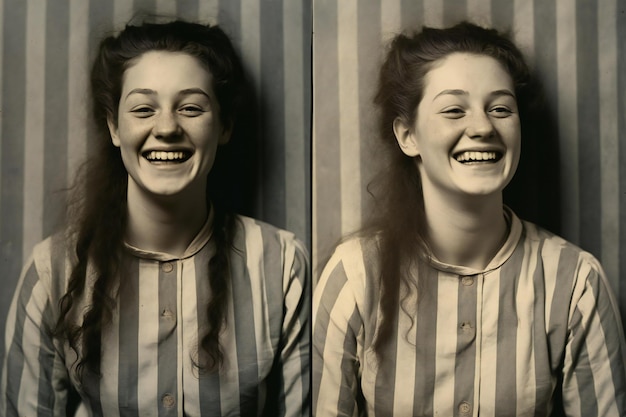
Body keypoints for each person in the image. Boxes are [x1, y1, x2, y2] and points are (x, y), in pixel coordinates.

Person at [312, 22, 626, 416]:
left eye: (500, 108)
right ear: (407, 135)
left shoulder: (577, 282)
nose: (482, 127)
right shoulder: (354, 276)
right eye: (454, 110)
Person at [1, 20, 310, 416]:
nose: (166, 128)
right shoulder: (52, 272)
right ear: (114, 126)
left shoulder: (282, 266)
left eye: (191, 108)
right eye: (144, 109)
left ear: (225, 125)